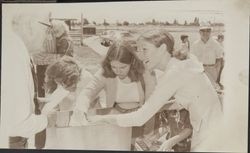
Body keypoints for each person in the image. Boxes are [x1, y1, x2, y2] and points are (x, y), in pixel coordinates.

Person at [88, 29, 223, 152]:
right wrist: (158, 107)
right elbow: (187, 99)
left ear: (162, 48)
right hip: (213, 130)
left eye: (145, 49)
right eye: (139, 50)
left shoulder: (174, 73)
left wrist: (101, 119)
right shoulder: (180, 65)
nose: (140, 56)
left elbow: (139, 118)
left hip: (209, 136)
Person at [73, 40, 157, 150]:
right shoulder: (105, 71)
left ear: (132, 62)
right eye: (114, 67)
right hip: (115, 121)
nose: (118, 71)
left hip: (140, 120)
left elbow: (151, 106)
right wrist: (81, 107)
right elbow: (87, 92)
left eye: (123, 67)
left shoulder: (145, 72)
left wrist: (147, 137)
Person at [1, 12, 51, 149]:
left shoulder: (15, 48)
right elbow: (18, 124)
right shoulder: (14, 56)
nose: (48, 36)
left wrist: (36, 102)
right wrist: (49, 120)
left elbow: (9, 101)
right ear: (30, 26)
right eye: (47, 29)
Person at [39, 56, 97, 149]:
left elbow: (84, 105)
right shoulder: (64, 78)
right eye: (59, 83)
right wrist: (43, 101)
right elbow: (58, 98)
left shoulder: (86, 80)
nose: (61, 85)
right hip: (67, 121)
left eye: (62, 83)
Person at [191, 23, 224, 90]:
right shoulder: (195, 45)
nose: (205, 33)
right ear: (199, 32)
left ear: (210, 32)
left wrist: (216, 74)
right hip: (199, 70)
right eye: (203, 30)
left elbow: (219, 61)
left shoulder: (215, 44)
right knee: (199, 90)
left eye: (208, 30)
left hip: (212, 70)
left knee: (211, 91)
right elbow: (192, 60)